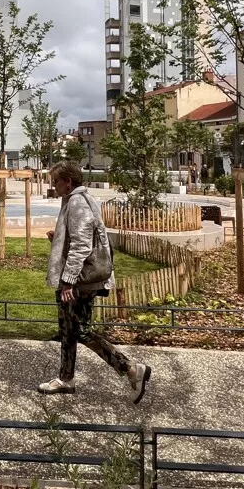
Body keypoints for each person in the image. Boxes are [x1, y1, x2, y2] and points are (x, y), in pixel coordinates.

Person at [40, 161, 151, 403]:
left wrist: (69, 281)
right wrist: (59, 239)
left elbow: (82, 246)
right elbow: (82, 238)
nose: (54, 185)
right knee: (68, 330)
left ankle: (131, 369)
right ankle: (65, 379)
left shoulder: (78, 202)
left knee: (80, 330)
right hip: (81, 279)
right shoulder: (79, 200)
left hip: (79, 282)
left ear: (68, 182)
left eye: (56, 181)